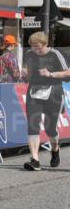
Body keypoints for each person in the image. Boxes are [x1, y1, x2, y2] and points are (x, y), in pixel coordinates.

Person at [20, 31, 69, 171]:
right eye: (33, 47)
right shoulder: (29, 54)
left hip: (54, 93)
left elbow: (68, 72)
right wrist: (24, 74)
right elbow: (27, 72)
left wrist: (51, 74)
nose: (36, 50)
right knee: (33, 124)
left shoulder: (55, 54)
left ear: (45, 44)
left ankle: (55, 149)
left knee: (50, 128)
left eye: (38, 47)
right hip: (34, 92)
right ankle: (35, 160)